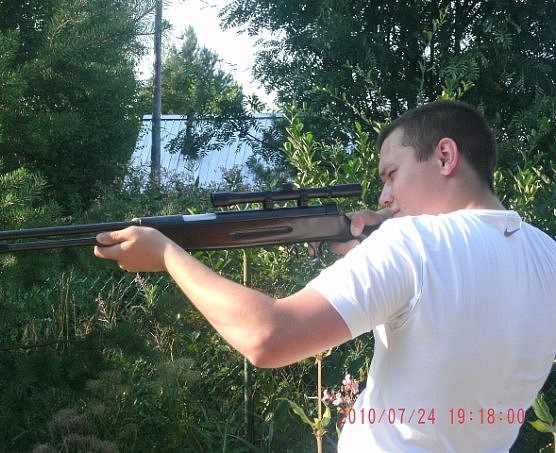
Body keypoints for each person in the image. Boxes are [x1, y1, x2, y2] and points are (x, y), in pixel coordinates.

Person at [94, 100, 556, 451]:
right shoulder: (547, 255)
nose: (385, 196)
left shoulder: (413, 244)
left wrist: (167, 254)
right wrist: (375, 249)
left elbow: (268, 336)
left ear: (445, 156)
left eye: (392, 174)